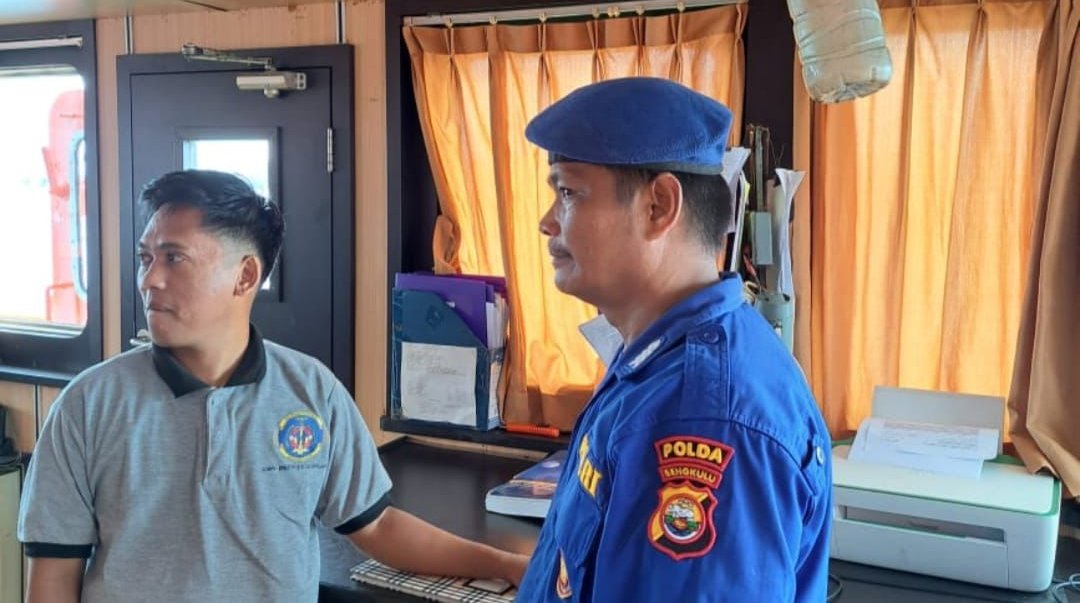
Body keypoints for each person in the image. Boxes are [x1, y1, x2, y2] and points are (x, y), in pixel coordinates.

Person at [18, 170, 528, 602]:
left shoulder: (312, 392)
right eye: (144, 258)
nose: (149, 279)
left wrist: (503, 563)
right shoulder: (88, 404)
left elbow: (377, 527)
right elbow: (55, 574)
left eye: (173, 258)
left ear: (245, 276)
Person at [514, 78, 832, 602]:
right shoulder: (655, 361)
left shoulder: (703, 417)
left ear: (659, 206)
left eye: (569, 192)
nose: (548, 223)